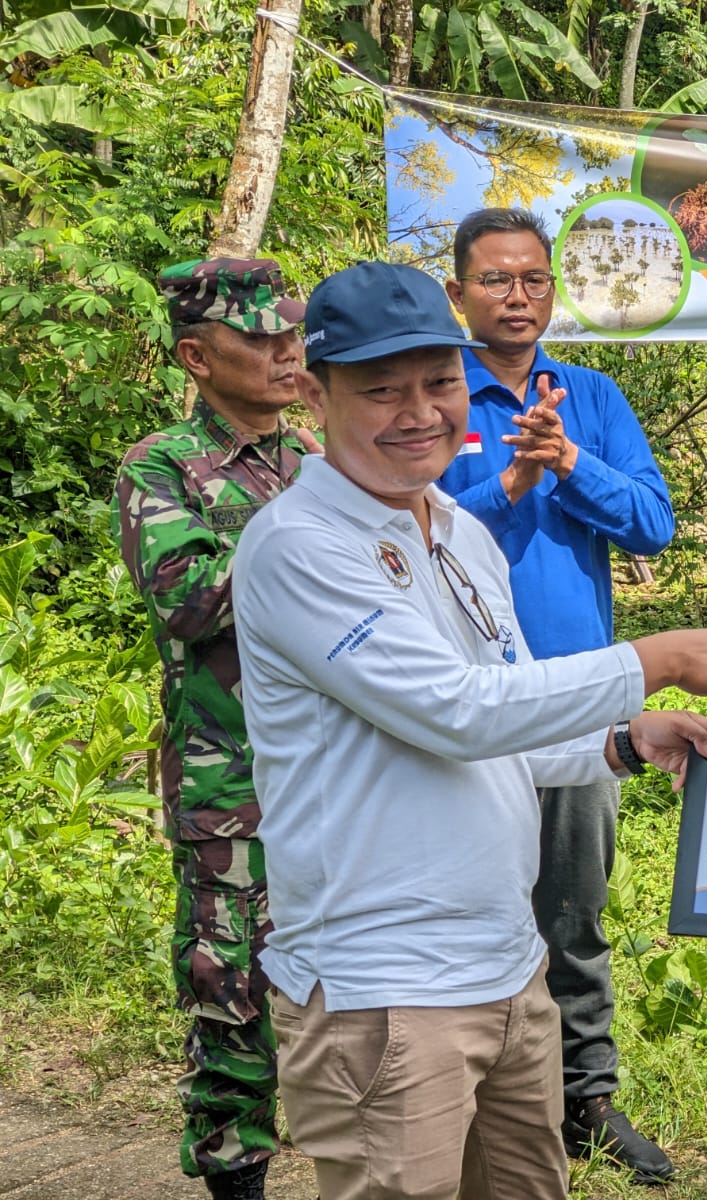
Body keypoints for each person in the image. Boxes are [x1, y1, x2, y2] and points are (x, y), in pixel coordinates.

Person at [232, 261, 707, 1200]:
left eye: (439, 381)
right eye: (380, 389)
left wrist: (622, 740)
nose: (419, 411)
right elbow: (454, 709)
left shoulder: (459, 529)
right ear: (314, 394)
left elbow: (506, 709)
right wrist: (656, 658)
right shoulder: (298, 545)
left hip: (506, 961)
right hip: (387, 987)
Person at [438, 206, 677, 1181]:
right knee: (461, 902)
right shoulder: (430, 398)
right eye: (496, 280)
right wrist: (508, 483)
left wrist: (567, 463)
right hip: (458, 706)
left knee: (573, 910)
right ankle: (465, 1108)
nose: (518, 296)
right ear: (458, 293)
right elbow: (404, 534)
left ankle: (586, 1100)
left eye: (534, 279)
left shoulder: (591, 395)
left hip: (582, 701)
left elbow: (653, 523)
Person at [115, 257, 314, 1200]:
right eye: (261, 338)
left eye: (292, 334)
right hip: (228, 779)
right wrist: (324, 568)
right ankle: (236, 1176)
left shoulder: (318, 461)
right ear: (198, 357)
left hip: (332, 774)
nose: (286, 352)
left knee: (335, 976)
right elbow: (192, 597)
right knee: (230, 989)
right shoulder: (161, 466)